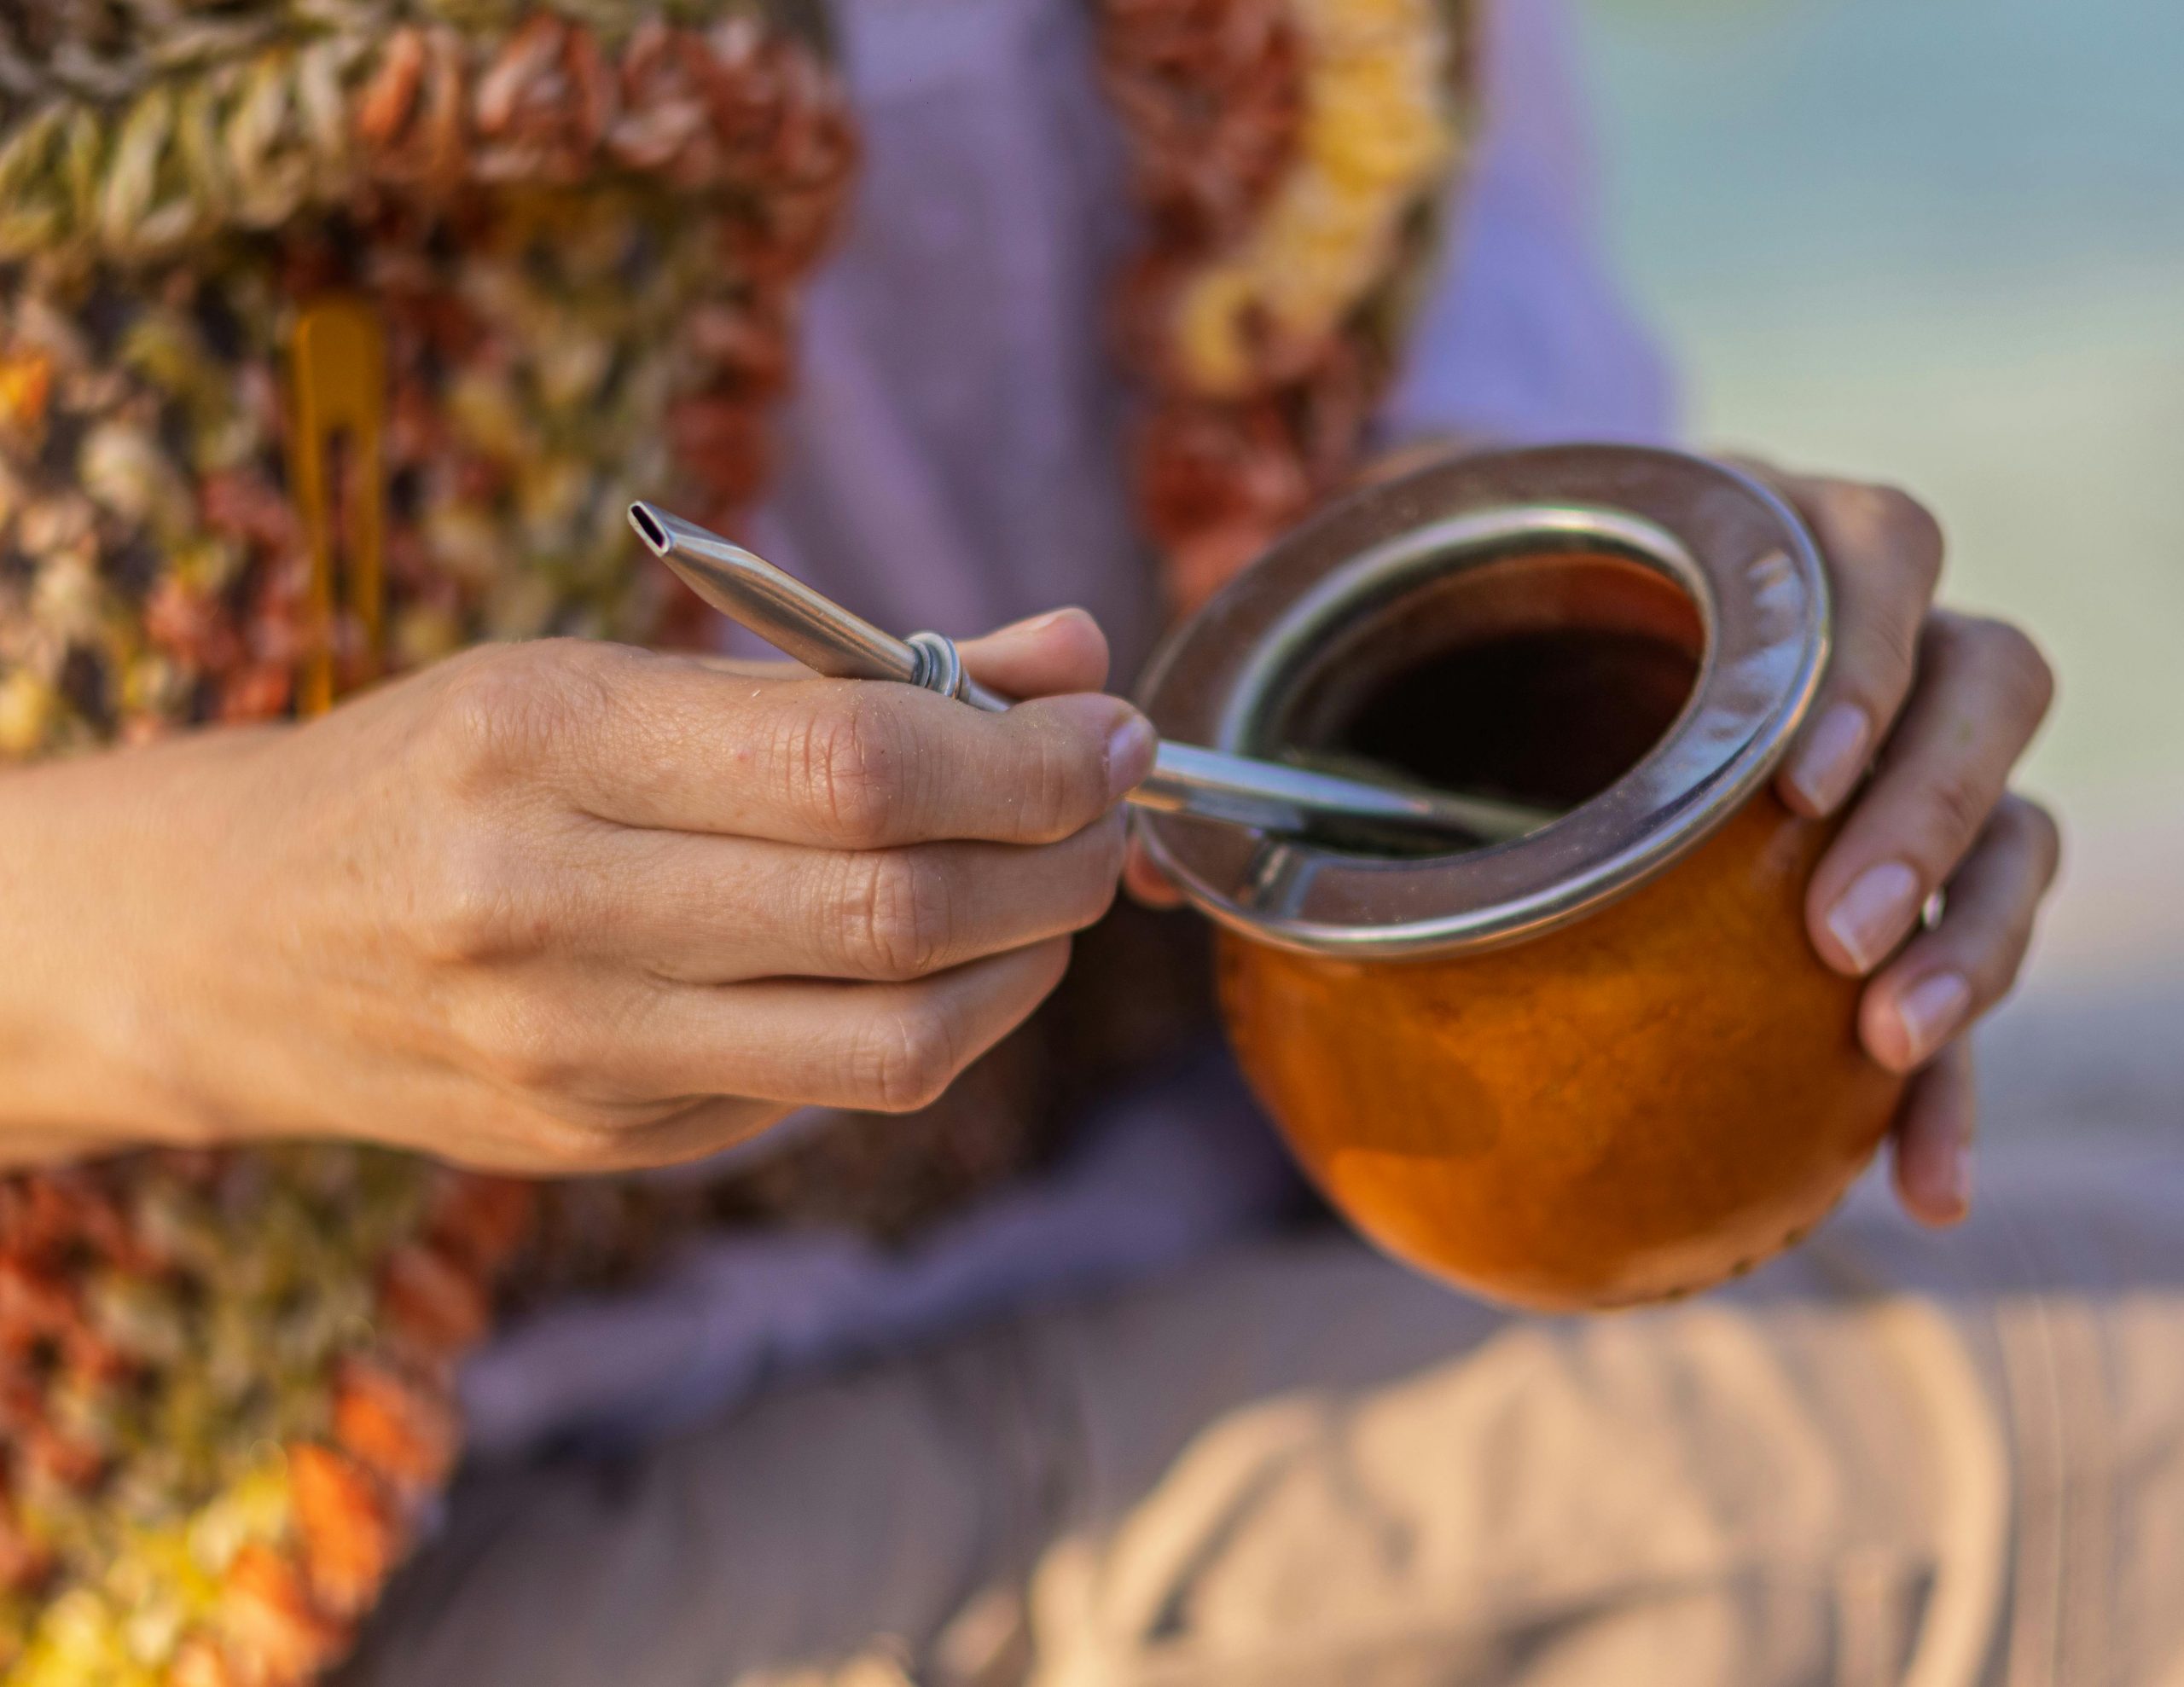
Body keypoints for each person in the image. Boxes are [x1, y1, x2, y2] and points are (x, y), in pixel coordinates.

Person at [8, 1, 2150, 1684]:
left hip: (1239, 1172)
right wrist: (211, 930)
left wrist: (1627, 598)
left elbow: (1411, 252)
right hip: (333, 1537)